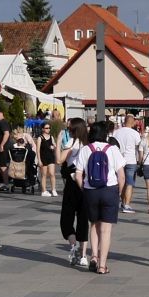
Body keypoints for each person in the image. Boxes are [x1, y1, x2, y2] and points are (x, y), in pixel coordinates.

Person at [77, 117, 125, 274]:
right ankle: (102, 266)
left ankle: (94, 256)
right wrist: (119, 192)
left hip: (90, 191)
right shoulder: (112, 149)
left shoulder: (85, 149)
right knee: (106, 230)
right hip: (109, 190)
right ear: (105, 134)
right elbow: (121, 175)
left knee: (94, 225)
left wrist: (84, 189)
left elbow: (78, 175)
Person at [57, 116, 90, 262]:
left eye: (69, 128)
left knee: (67, 219)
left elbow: (59, 160)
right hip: (86, 184)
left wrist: (58, 141)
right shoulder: (89, 144)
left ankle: (73, 247)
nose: (67, 131)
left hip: (72, 184)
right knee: (83, 219)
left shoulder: (72, 142)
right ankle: (83, 256)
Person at [114, 114, 143, 215]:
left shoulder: (116, 132)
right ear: (132, 122)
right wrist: (140, 160)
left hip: (118, 160)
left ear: (124, 121)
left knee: (119, 181)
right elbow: (139, 146)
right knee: (129, 183)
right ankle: (126, 204)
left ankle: (120, 201)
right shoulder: (135, 133)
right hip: (131, 160)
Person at [37, 123, 58, 198]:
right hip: (43, 158)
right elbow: (38, 150)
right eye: (46, 128)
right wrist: (39, 160)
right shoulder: (40, 138)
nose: (48, 129)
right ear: (42, 129)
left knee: (52, 174)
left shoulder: (51, 137)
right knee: (44, 175)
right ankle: (44, 191)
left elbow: (55, 146)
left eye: (49, 128)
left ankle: (53, 189)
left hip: (51, 157)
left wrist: (54, 147)